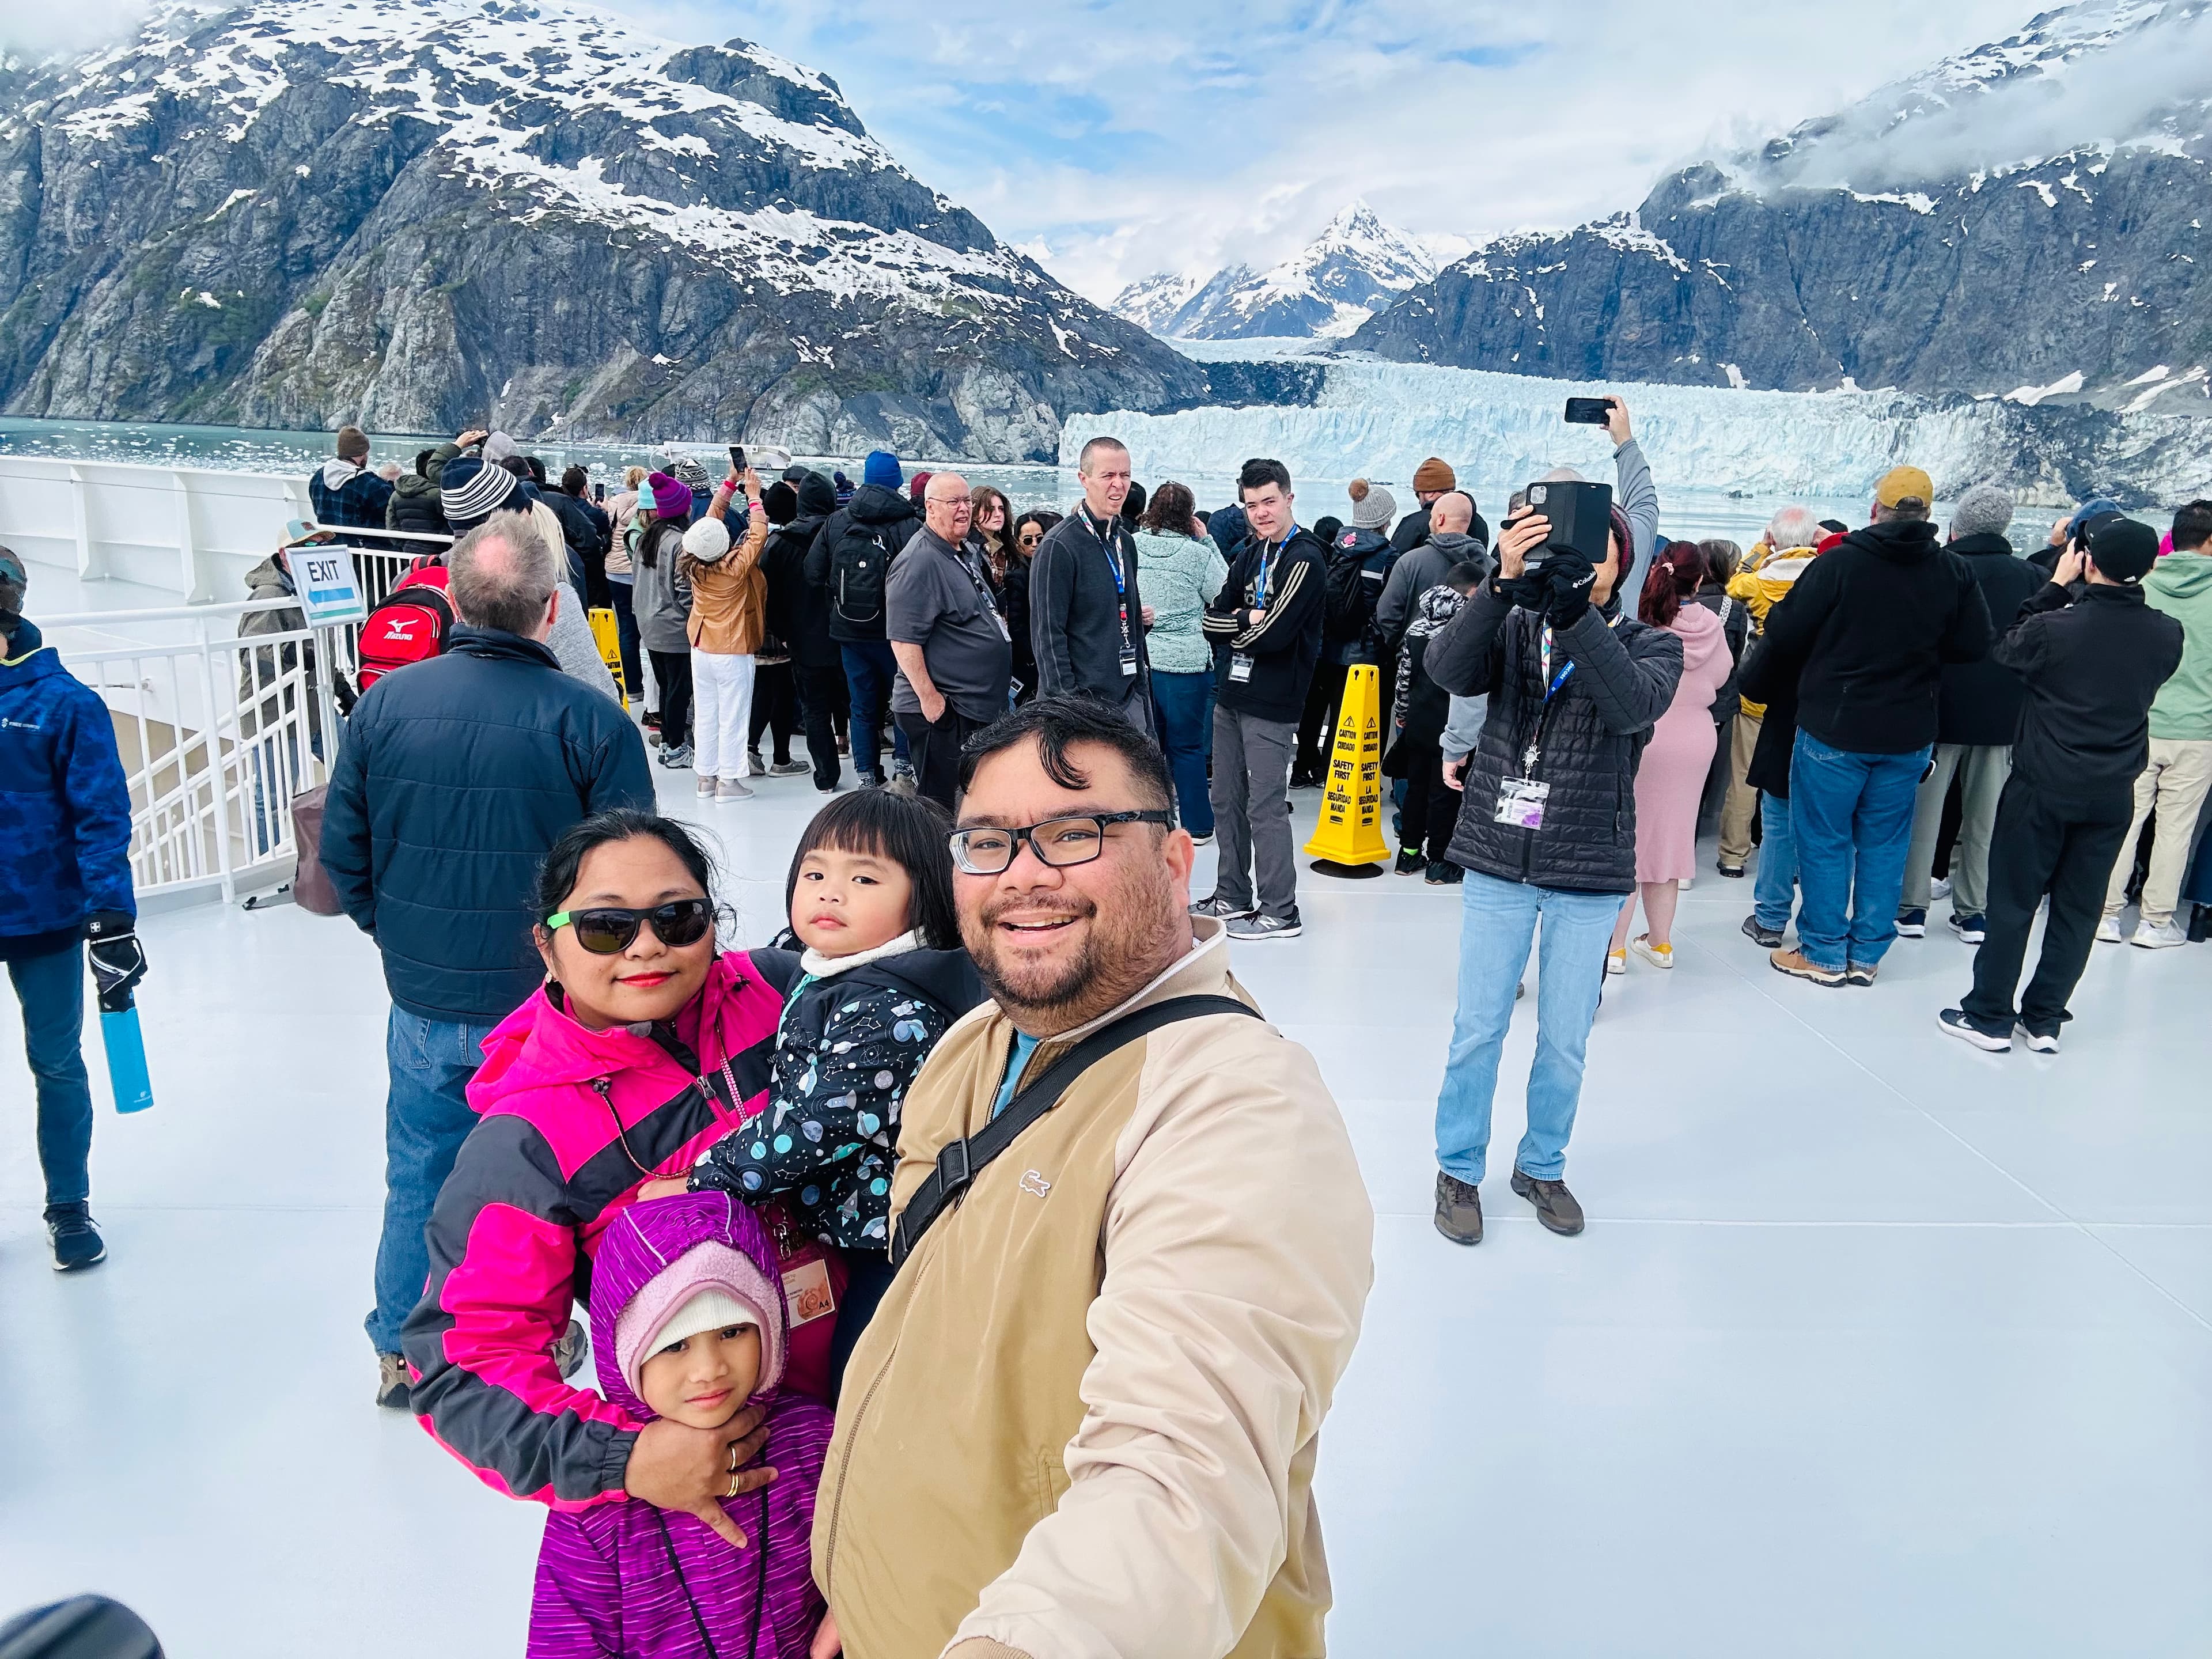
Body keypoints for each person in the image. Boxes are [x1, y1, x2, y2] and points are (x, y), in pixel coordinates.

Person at [810, 697, 1372, 1659]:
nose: (1023, 876)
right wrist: (862, 1589)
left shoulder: (1237, 1107)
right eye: (986, 842)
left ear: (1174, 859)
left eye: (1075, 832)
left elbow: (1183, 1475)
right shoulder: (972, 1045)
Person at [322, 513, 655, 1408]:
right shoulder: (590, 722)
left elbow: (345, 854)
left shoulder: (385, 707)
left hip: (423, 995)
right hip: (548, 1005)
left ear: (455, 601)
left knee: (420, 1169)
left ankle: (401, 1347)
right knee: (550, 1181)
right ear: (552, 610)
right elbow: (635, 880)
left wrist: (396, 933)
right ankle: (532, 1345)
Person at [404, 812, 794, 1527]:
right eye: (605, 928)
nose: (647, 947)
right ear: (547, 948)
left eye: (678, 918)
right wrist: (628, 1459)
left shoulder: (782, 995)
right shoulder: (525, 1144)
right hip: (744, 1460)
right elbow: (462, 1365)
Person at [1423, 484, 1684, 1243]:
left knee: (1566, 1035)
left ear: (1622, 565)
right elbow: (1446, 668)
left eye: (1597, 548)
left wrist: (1572, 612)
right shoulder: (1511, 623)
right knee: (1478, 1028)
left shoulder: (1650, 644)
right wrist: (1502, 587)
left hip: (1588, 868)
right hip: (1501, 860)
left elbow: (1631, 707)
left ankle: (1542, 1164)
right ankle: (1458, 1170)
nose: (1578, 559)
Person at [685, 789, 982, 1392]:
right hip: (845, 1223)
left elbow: (817, 1127)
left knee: (862, 1377)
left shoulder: (892, 1008)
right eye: (815, 872)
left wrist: (707, 1173)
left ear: (924, 899)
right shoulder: (832, 968)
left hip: (896, 1238)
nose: (830, 892)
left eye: (865, 879)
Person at [528, 1190, 831, 1659]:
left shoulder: (815, 1442)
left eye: (732, 1332)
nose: (709, 1369)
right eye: (674, 1346)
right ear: (625, 1354)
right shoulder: (594, 1514)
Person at [1942, 517, 2184, 1052]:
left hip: (2043, 784)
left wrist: (2053, 587)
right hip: (2112, 792)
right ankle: (2045, 1018)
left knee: (2012, 903)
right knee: (2078, 909)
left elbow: (2006, 650)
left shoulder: (2056, 628)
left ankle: (1989, 1015)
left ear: (2087, 561)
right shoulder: (2168, 632)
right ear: (2150, 567)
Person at [1748, 465, 1994, 988]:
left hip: (1834, 729)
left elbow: (1786, 633)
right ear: (1930, 516)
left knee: (1823, 839)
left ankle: (1822, 952)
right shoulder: (1953, 572)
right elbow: (1975, 645)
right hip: (1908, 733)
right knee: (1884, 842)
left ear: (1875, 510)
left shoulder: (1840, 566)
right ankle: (1866, 954)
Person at [1, 547, 143, 1272]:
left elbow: (100, 817)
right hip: (36, 912)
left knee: (55, 1062)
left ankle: (68, 1206)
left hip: (42, 917)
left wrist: (112, 922)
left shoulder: (65, 705)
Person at [1893, 483, 2044, 944]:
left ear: (1959, 525)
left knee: (1925, 814)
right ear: (2006, 526)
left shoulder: (1940, 567)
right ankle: (1973, 911)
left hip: (1939, 711)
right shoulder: (2032, 578)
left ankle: (1912, 907)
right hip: (2002, 717)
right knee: (1986, 819)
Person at [1193, 458, 1327, 941]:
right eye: (1252, 505)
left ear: (1289, 498)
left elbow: (1274, 635)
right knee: (1225, 797)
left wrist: (1246, 622)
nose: (1261, 513)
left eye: (1269, 502)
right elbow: (1210, 621)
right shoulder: (1252, 553)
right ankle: (1231, 894)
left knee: (1265, 805)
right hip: (1233, 692)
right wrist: (1247, 620)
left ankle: (1280, 909)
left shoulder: (1305, 558)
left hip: (1273, 701)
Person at [1607, 542, 1734, 971]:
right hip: (1695, 740)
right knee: (1672, 840)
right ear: (1700, 580)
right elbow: (1721, 677)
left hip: (1646, 734)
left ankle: (1615, 947)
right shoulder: (1713, 625)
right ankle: (1660, 944)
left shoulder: (1642, 623)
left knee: (1629, 840)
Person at [2099, 499, 2212, 947]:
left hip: (2138, 723)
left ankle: (2105, 914)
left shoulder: (2144, 583)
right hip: (2198, 729)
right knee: (2175, 829)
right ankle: (2156, 923)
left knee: (2124, 822)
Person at [887, 472, 1014, 807]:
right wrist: (932, 701)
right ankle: (937, 861)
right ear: (930, 507)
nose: (963, 509)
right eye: (953, 502)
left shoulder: (962, 550)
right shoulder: (919, 561)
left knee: (972, 801)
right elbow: (903, 640)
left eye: (967, 501)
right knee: (941, 806)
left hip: (973, 707)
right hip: (945, 711)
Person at [1718, 506, 1825, 881]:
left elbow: (1731, 583)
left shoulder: (1755, 582)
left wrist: (1761, 548)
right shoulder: (1825, 578)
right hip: (1808, 696)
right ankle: (1793, 861)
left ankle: (1733, 855)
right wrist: (1822, 543)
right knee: (1802, 780)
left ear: (1773, 538)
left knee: (1745, 777)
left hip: (1757, 692)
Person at [1029, 435, 1152, 729]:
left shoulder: (1124, 542)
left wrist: (1141, 689)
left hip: (1127, 698)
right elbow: (1048, 635)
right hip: (1082, 708)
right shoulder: (1059, 546)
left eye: (1125, 475)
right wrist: (1069, 708)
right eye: (1108, 475)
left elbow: (1126, 615)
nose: (1118, 484)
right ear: (1084, 479)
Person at [812, 450, 917, 789]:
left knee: (862, 705)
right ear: (897, 482)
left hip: (849, 630)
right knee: (904, 698)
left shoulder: (838, 521)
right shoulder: (910, 525)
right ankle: (905, 769)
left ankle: (867, 776)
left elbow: (813, 572)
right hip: (896, 632)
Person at [1134, 482, 1228, 840]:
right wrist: (1207, 541)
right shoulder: (1197, 554)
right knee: (1187, 747)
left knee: (1146, 747)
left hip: (1142, 660)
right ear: (1190, 516)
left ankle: (1153, 824)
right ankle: (1199, 826)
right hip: (1186, 662)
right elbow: (1224, 592)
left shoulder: (1132, 545)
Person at [1385, 559, 1485, 882]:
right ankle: (1441, 862)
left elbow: (1403, 677)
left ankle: (1409, 854)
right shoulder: (1468, 631)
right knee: (1447, 791)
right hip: (1451, 725)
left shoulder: (1417, 627)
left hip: (1417, 721)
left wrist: (1402, 714)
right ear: (1472, 592)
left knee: (1415, 789)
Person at [1294, 480, 1397, 786]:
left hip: (1326, 647)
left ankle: (1307, 770)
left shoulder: (1334, 548)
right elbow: (1389, 609)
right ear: (1384, 520)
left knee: (1319, 711)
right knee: (1350, 720)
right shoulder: (1389, 557)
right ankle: (1336, 775)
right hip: (1365, 652)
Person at [683, 467, 771, 803]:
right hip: (732, 649)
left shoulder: (691, 559)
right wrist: (754, 495)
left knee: (706, 712)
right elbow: (758, 534)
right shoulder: (735, 568)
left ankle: (705, 777)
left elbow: (709, 524)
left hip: (701, 644)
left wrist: (730, 484)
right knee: (733, 714)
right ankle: (729, 782)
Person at [762, 471, 846, 793]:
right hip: (844, 634)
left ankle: (826, 775)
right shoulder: (844, 537)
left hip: (801, 639)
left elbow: (768, 595)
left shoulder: (780, 544)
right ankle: (869, 768)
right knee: (858, 704)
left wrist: (782, 632)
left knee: (814, 709)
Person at [634, 470, 702, 767]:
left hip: (649, 624)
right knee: (679, 690)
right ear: (682, 509)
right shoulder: (680, 542)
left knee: (666, 687)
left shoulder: (646, 538)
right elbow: (684, 589)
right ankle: (676, 747)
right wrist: (697, 617)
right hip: (674, 627)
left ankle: (666, 741)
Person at [1374, 488, 1485, 654]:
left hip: (1413, 667)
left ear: (1440, 519)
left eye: (1432, 516)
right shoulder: (1491, 568)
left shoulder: (1409, 563)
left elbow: (1386, 616)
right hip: (1469, 670)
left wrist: (1405, 649)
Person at [603, 465, 647, 705]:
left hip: (615, 572)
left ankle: (633, 688)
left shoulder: (615, 503)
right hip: (639, 572)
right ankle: (654, 688)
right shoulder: (649, 505)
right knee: (647, 627)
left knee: (627, 631)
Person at [309, 424, 396, 540]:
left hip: (330, 549)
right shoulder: (369, 483)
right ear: (362, 454)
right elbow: (391, 513)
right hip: (364, 553)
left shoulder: (318, 478)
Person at [1005, 509, 1057, 701]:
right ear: (1018, 543)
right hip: (1030, 661)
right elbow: (1016, 625)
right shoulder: (1017, 576)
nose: (1035, 544)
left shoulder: (1048, 569)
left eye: (1040, 538)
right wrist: (1035, 656)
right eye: (1028, 540)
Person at [547, 464, 613, 611]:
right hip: (590, 577)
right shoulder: (595, 515)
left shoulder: (555, 505)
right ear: (584, 489)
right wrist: (603, 511)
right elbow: (601, 536)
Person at [1389, 456, 1462, 555]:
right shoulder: (1478, 522)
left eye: (1418, 495)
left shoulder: (1414, 524)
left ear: (1430, 493)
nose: (1419, 502)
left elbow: (1394, 562)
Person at [385, 447, 450, 540]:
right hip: (438, 550)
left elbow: (391, 525)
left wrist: (402, 545)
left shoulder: (396, 495)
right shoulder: (439, 495)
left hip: (407, 550)